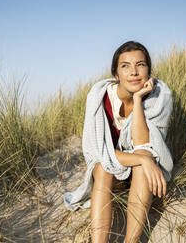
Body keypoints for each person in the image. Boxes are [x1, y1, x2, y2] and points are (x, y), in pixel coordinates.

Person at [64, 41, 173, 243]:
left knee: (144, 160)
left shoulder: (159, 96)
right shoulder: (98, 98)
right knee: (102, 168)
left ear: (149, 70)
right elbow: (98, 154)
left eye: (140, 64)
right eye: (125, 66)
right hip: (110, 174)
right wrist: (144, 160)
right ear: (115, 74)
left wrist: (139, 99)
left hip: (142, 178)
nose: (133, 72)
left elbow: (144, 146)